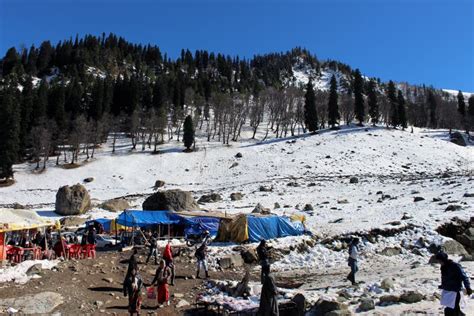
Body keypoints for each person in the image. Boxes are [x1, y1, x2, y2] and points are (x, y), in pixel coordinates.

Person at [435, 251, 472, 316]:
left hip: (454, 291)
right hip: (447, 291)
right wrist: (442, 285)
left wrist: (468, 287)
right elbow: (445, 278)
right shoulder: (443, 267)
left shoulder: (455, 266)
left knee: (451, 310)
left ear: (444, 259)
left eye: (440, 261)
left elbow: (464, 276)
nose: (439, 263)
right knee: (454, 309)